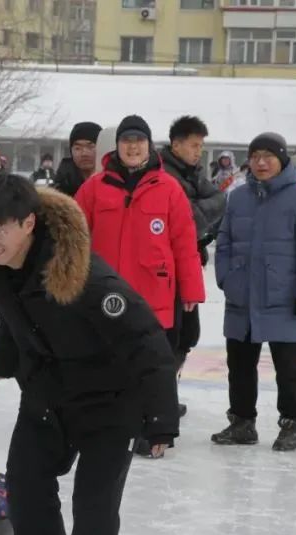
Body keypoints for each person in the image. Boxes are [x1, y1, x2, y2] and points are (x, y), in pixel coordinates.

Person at [0, 174, 178, 535]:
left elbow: (146, 340)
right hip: (47, 392)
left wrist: (160, 419)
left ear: (28, 223)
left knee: (95, 503)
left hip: (111, 402)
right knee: (23, 482)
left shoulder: (87, 278)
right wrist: (3, 361)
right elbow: (12, 318)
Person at [75, 114, 203, 456]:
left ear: (149, 146)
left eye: (139, 141)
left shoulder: (169, 188)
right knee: (105, 364)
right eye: (127, 140)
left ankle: (152, 431)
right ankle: (105, 427)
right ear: (117, 146)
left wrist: (191, 291)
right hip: (105, 296)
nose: (133, 147)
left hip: (153, 294)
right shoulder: (94, 188)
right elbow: (73, 238)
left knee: (150, 366)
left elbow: (184, 244)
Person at [211, 132, 296, 451]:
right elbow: (224, 242)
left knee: (288, 367)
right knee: (240, 365)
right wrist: (226, 279)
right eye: (255, 156)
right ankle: (242, 423)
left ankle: (291, 423)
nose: (261, 163)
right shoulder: (239, 197)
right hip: (242, 296)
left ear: (282, 159)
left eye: (268, 156)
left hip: (284, 297)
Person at [159, 115, 226, 415]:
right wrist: (197, 219)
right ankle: (160, 397)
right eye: (194, 145)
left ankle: (168, 391)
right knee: (170, 335)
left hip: (187, 263)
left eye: (201, 146)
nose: (199, 151)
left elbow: (219, 200)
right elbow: (182, 218)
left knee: (187, 334)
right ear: (176, 144)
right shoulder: (163, 173)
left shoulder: (193, 173)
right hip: (165, 269)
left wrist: (196, 218)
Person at [54, 121, 99, 198]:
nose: (84, 153)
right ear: (71, 151)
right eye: (78, 148)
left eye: (91, 147)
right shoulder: (59, 190)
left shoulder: (115, 184)